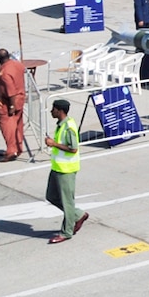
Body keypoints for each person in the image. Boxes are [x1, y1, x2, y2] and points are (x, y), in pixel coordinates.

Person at [43, 97, 86, 241]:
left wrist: (53, 144)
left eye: (53, 109)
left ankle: (66, 232)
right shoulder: (61, 124)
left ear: (60, 111)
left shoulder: (69, 127)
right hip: (57, 167)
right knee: (51, 196)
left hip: (66, 169)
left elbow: (73, 149)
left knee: (67, 201)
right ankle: (78, 214)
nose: (51, 111)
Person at [0, 48, 27, 161]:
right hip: (20, 98)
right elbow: (23, 69)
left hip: (9, 102)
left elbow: (10, 91)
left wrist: (11, 106)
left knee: (7, 127)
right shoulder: (17, 64)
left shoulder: (4, 73)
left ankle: (11, 151)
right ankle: (18, 148)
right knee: (18, 124)